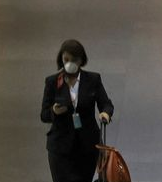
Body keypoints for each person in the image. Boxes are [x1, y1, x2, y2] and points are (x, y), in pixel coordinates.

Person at [41, 39, 114, 182]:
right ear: (61, 59)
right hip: (60, 148)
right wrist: (54, 112)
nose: (69, 63)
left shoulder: (93, 80)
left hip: (87, 146)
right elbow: (44, 115)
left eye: (73, 59)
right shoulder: (52, 82)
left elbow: (106, 104)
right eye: (66, 59)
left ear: (81, 60)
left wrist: (105, 113)